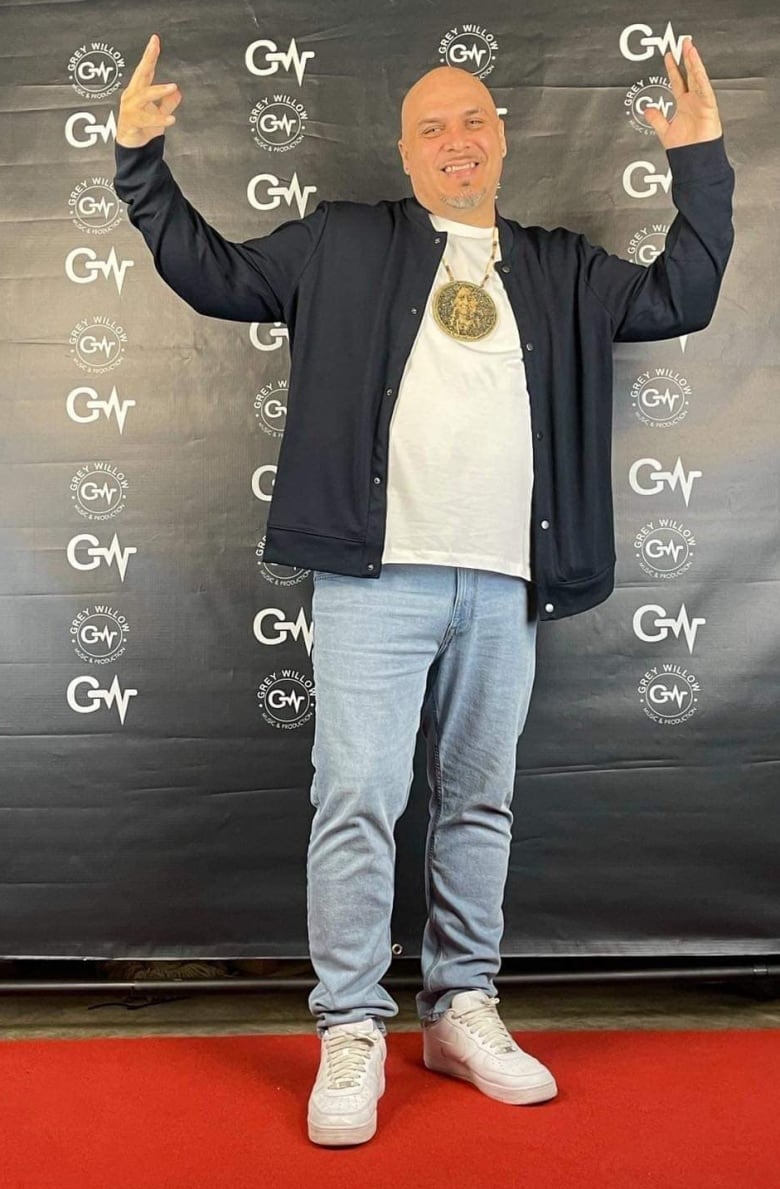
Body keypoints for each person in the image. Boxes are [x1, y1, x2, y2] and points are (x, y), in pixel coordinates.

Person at [113, 33, 735, 1147]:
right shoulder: (343, 243)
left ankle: (461, 1008)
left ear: (502, 141)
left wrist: (702, 162)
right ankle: (350, 1024)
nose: (458, 140)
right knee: (356, 799)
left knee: (480, 802)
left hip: (505, 582)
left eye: (474, 121)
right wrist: (137, 162)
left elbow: (684, 293)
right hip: (375, 579)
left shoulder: (560, 265)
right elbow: (213, 274)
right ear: (405, 153)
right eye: (434, 126)